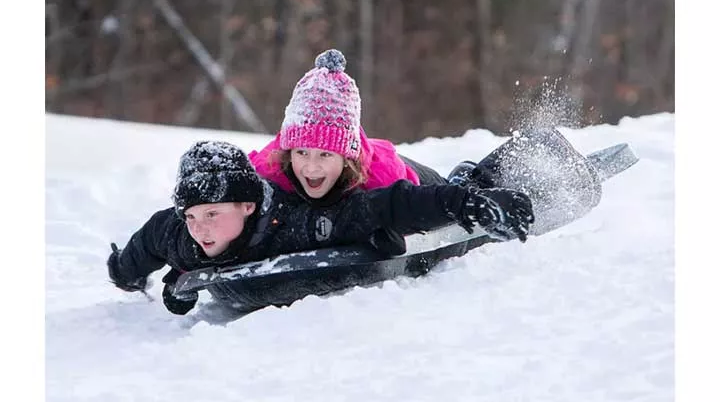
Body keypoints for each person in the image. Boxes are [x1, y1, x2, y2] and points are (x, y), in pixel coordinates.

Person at [107, 140, 535, 316]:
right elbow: (147, 242)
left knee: (427, 229)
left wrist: (467, 206)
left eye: (213, 214)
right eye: (192, 215)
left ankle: (475, 180)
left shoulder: (300, 222)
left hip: (402, 177)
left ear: (247, 205)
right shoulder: (179, 234)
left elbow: (390, 205)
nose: (200, 228)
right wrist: (124, 273)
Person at [248, 49, 447, 207]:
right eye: (301, 152)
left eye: (325, 155)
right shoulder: (269, 169)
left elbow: (411, 203)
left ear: (346, 158)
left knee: (445, 187)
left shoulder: (384, 177)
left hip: (393, 165)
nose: (311, 166)